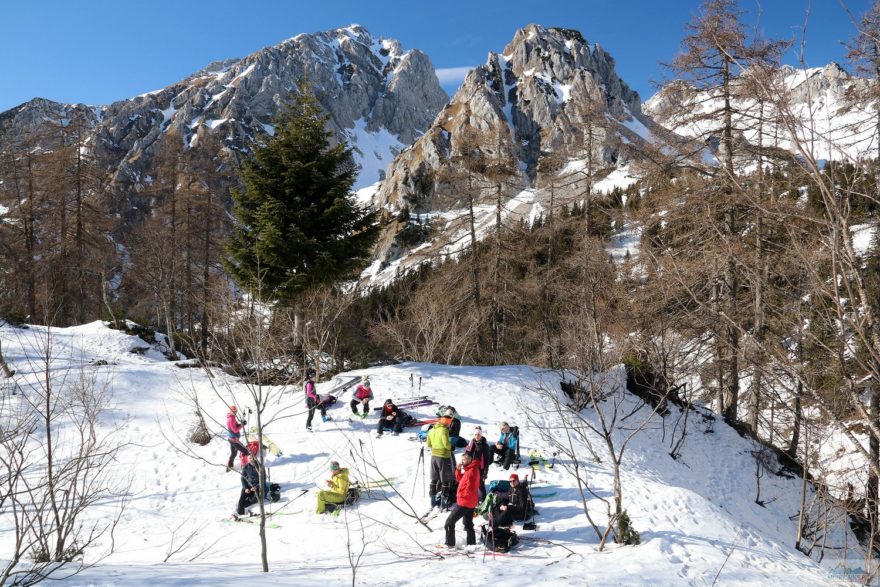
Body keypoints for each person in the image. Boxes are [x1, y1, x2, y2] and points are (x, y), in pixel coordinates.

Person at [444, 452, 480, 550]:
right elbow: (461, 479)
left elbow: (470, 488)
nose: (462, 461)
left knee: (449, 522)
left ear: (469, 460)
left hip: (465, 502)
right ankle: (471, 545)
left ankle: (450, 544)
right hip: (470, 502)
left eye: (464, 459)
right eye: (462, 459)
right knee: (468, 524)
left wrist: (460, 495)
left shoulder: (472, 471)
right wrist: (458, 470)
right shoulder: (470, 470)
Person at [426, 415, 455, 512]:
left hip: (434, 457)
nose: (450, 424)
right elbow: (446, 444)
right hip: (444, 457)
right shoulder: (444, 430)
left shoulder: (431, 430)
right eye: (450, 422)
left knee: (434, 479)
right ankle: (443, 504)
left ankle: (433, 502)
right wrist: (451, 447)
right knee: (445, 480)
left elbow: (428, 444)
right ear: (447, 422)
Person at [465, 426, 491, 501]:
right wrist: (467, 450)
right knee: (471, 484)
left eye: (479, 434)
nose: (477, 436)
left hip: (480, 468)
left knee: (480, 485)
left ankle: (483, 501)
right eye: (475, 434)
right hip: (471, 467)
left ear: (481, 435)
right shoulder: (471, 443)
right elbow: (467, 456)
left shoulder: (485, 446)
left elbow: (487, 460)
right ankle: (472, 499)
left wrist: (485, 473)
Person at [235, 446, 260, 516]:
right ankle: (239, 514)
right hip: (248, 486)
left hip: (257, 487)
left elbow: (263, 480)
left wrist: (256, 487)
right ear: (248, 459)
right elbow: (242, 478)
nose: (251, 459)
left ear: (255, 458)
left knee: (254, 500)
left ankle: (245, 508)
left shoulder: (260, 467)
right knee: (241, 498)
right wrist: (245, 488)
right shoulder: (246, 467)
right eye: (250, 458)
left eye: (252, 458)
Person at [226, 405, 248, 472]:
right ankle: (245, 465)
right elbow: (235, 430)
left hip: (232, 439)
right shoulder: (231, 419)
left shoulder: (231, 417)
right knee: (245, 451)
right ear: (230, 411)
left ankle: (229, 466)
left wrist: (240, 424)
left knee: (234, 453)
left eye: (236, 411)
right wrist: (242, 425)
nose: (235, 412)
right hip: (234, 440)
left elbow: (235, 426)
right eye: (233, 411)